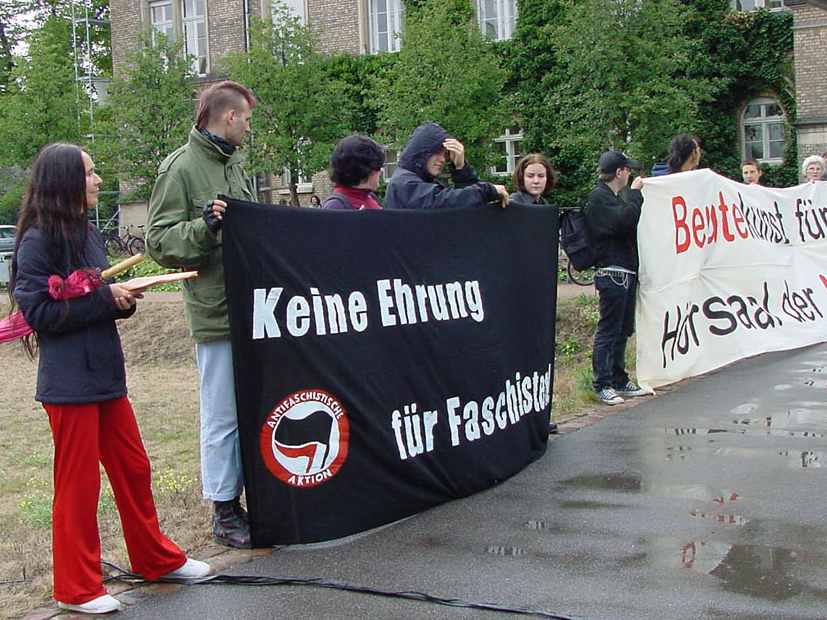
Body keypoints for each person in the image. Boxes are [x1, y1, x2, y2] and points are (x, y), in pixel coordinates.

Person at [11, 143, 210, 615]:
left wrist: (122, 300)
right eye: (90, 173)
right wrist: (105, 299)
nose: (99, 180)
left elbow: (93, 298)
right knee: (78, 485)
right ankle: (75, 588)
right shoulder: (37, 240)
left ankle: (155, 559)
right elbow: (38, 312)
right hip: (67, 383)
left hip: (105, 373)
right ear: (64, 182)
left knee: (134, 471)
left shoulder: (86, 232)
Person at [147, 80, 257, 549]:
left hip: (253, 308)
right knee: (222, 416)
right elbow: (159, 242)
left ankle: (255, 496)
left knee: (251, 409)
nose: (248, 129)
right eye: (246, 119)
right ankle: (224, 510)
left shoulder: (234, 167)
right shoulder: (181, 169)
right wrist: (205, 226)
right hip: (215, 312)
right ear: (228, 117)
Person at [585, 151, 648, 406]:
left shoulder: (611, 197)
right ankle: (603, 384)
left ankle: (620, 379)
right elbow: (625, 221)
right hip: (612, 273)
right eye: (627, 170)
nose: (630, 174)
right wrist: (635, 194)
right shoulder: (599, 198)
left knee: (623, 329)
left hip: (625, 271)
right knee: (609, 330)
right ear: (620, 172)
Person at [385, 122, 509, 210]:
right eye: (437, 152)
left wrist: (460, 168)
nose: (443, 159)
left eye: (445, 154)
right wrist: (487, 191)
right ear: (423, 153)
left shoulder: (416, 181)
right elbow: (444, 202)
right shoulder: (404, 183)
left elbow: (465, 209)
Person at [322, 135, 385, 210]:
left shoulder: (370, 197)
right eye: (378, 167)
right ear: (364, 170)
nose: (380, 171)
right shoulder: (335, 206)